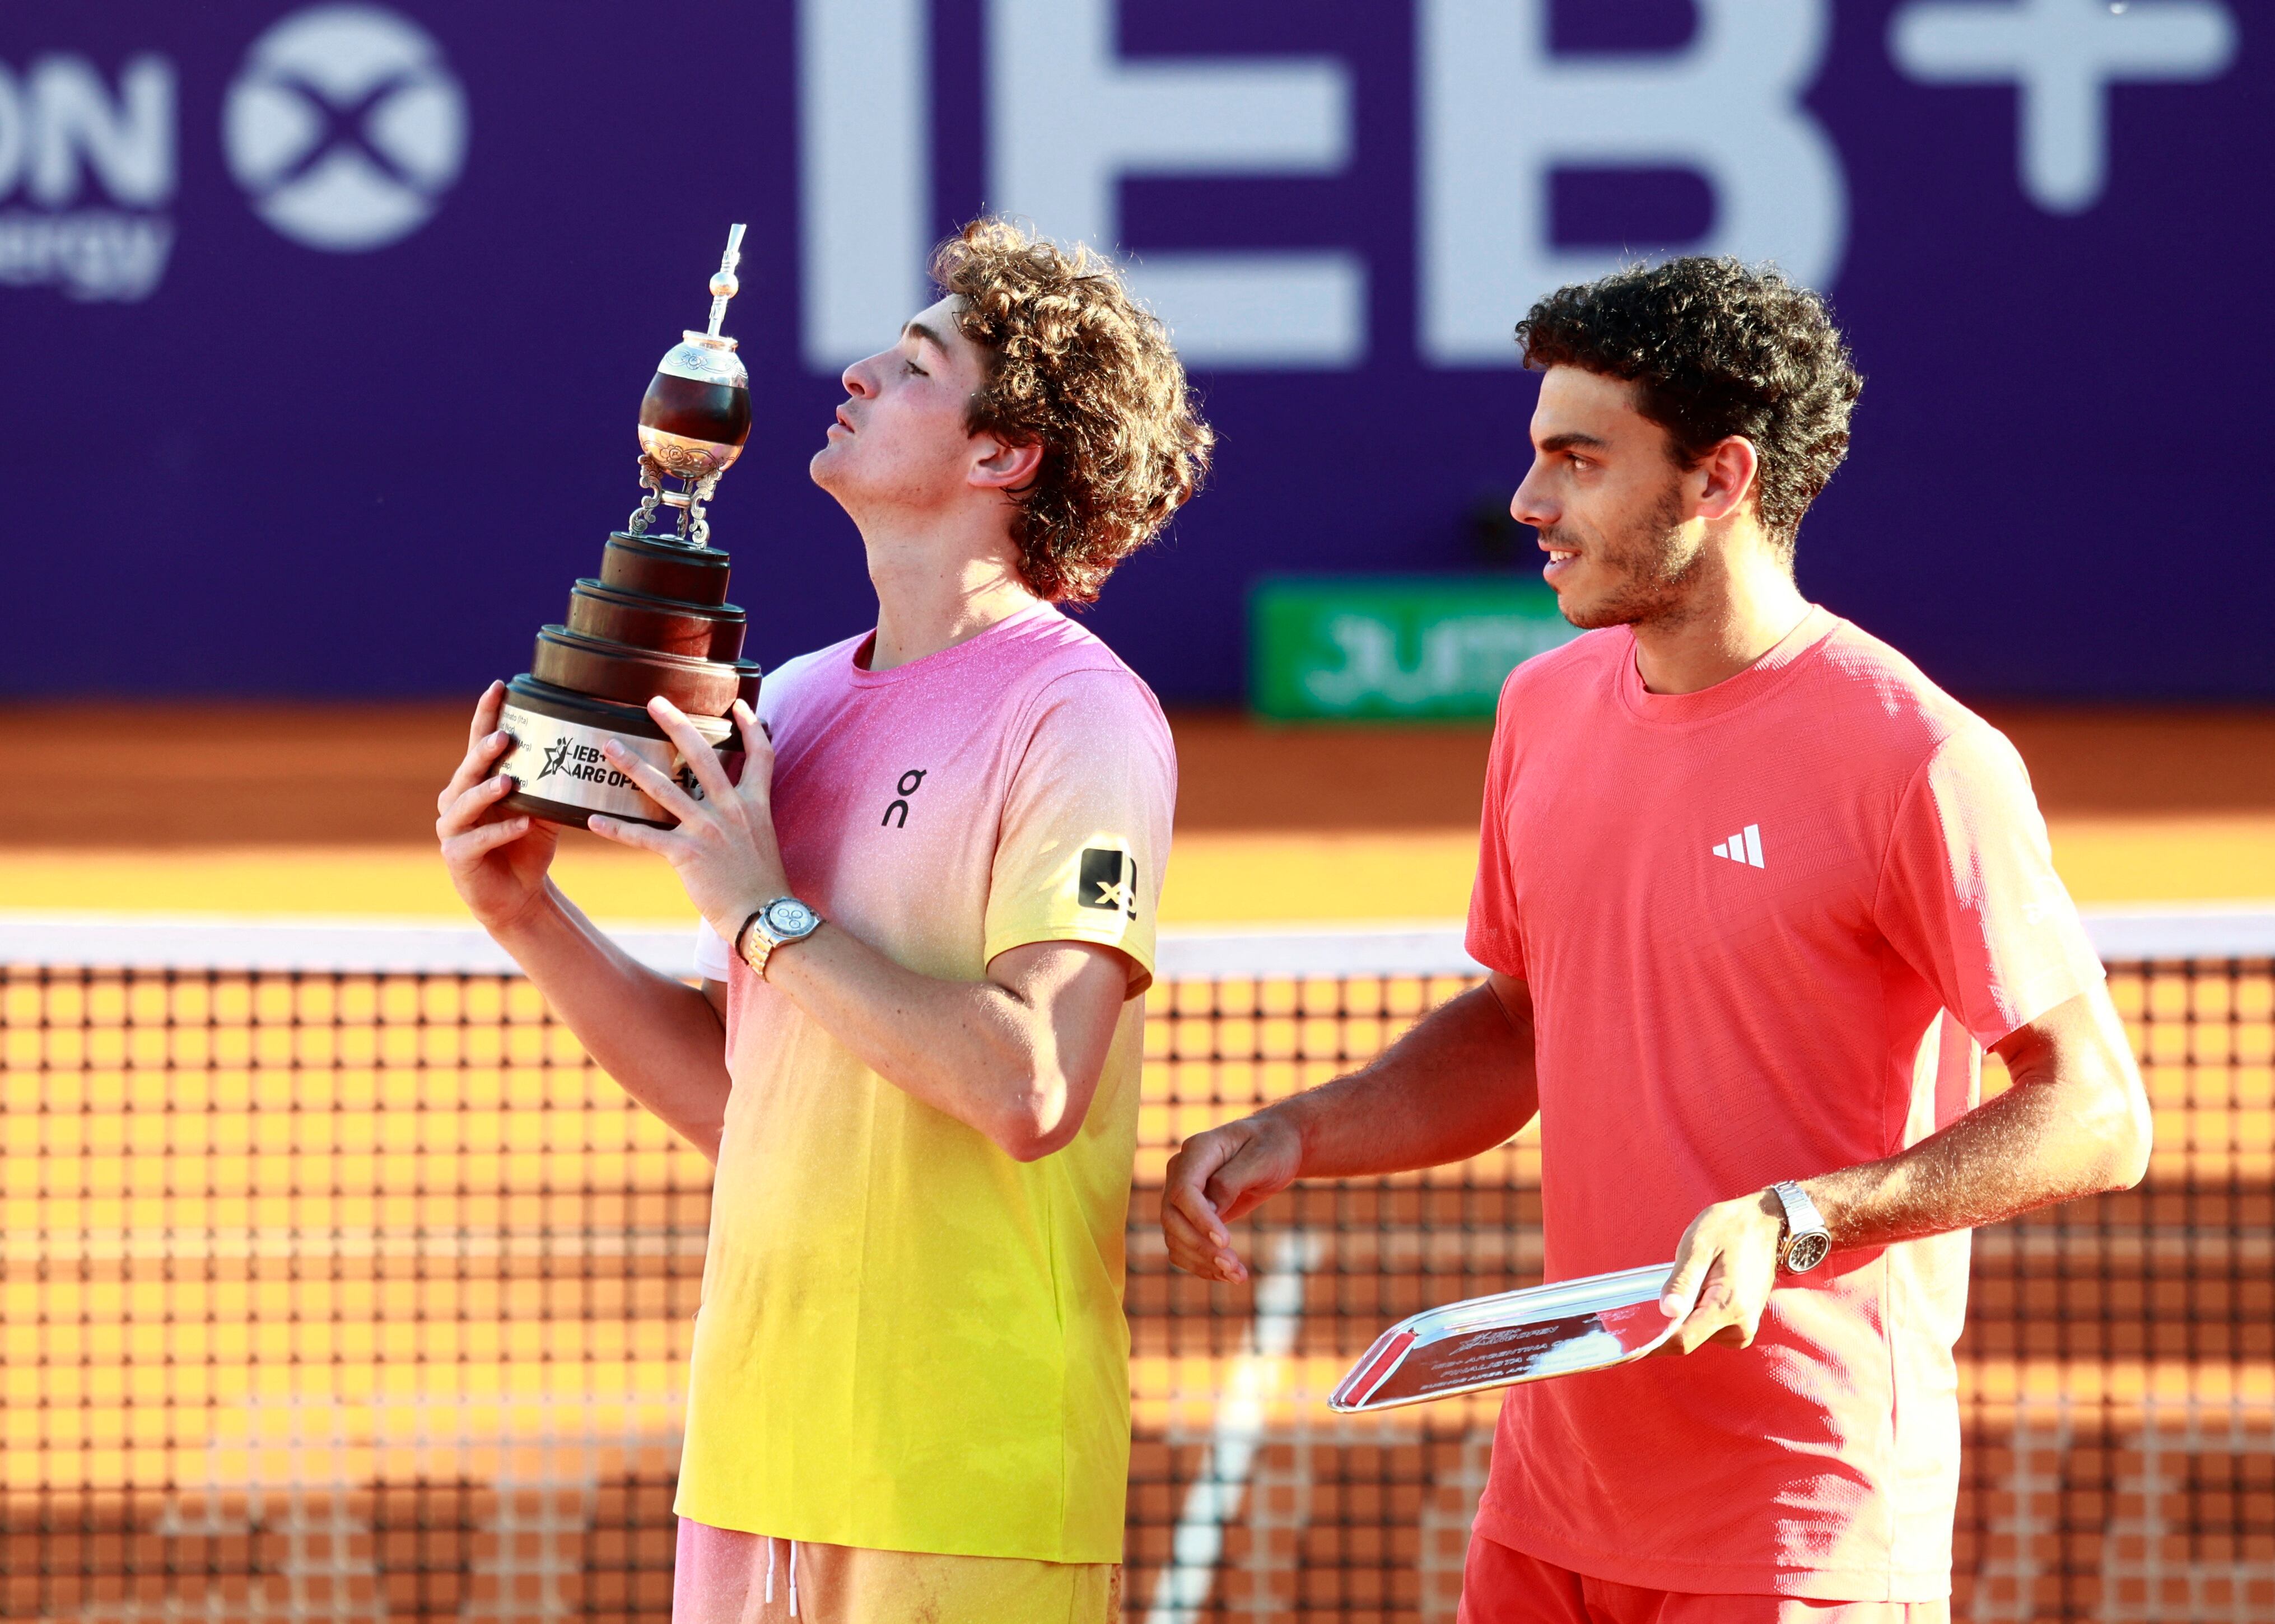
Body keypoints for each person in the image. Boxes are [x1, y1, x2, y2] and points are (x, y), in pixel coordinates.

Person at [1159, 257, 2151, 1623]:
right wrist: (1302, 1131)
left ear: (1720, 479)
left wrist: (1802, 1216)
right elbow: (1521, 1025)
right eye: (1538, 454)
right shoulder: (1542, 709)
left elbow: (2098, 1112)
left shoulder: (1918, 757)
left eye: (1579, 461)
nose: (1529, 501)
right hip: (1555, 1498)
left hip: (1794, 1517)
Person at [437, 218, 1211, 1623]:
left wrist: (761, 906)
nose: (857, 373)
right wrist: (529, 914)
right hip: (754, 1462)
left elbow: (1033, 1083)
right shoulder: (787, 703)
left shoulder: (1081, 716)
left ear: (1003, 453)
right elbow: (751, 1097)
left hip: (960, 1481)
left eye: (915, 363)